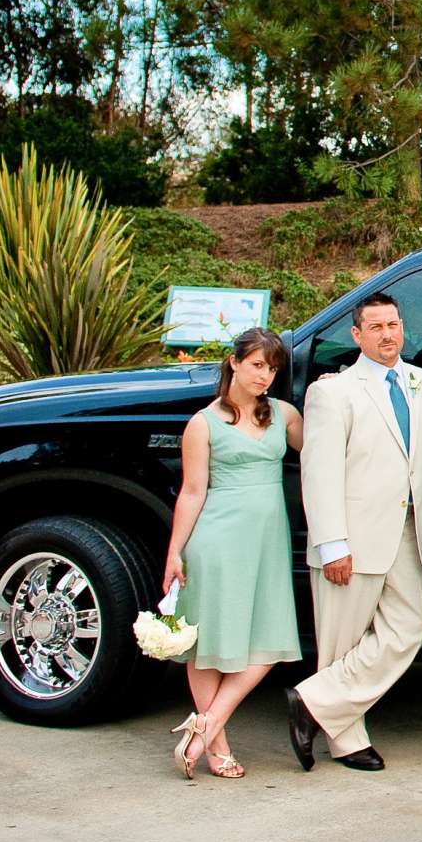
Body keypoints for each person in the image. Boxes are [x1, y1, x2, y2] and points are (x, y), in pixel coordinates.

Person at [287, 293, 422, 772]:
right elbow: (318, 472)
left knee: (411, 626)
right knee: (340, 642)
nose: (388, 334)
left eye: (394, 325)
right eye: (377, 327)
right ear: (358, 336)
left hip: (411, 532)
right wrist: (332, 543)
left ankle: (312, 700)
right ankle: (346, 741)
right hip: (351, 536)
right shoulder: (333, 392)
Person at [162, 327, 301, 779]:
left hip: (267, 544)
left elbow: (327, 452)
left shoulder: (284, 414)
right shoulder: (202, 424)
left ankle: (202, 727)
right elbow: (192, 491)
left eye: (273, 368)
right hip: (217, 542)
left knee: (269, 641)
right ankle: (216, 744)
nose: (266, 375)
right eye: (258, 365)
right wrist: (175, 551)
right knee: (209, 646)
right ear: (235, 363)